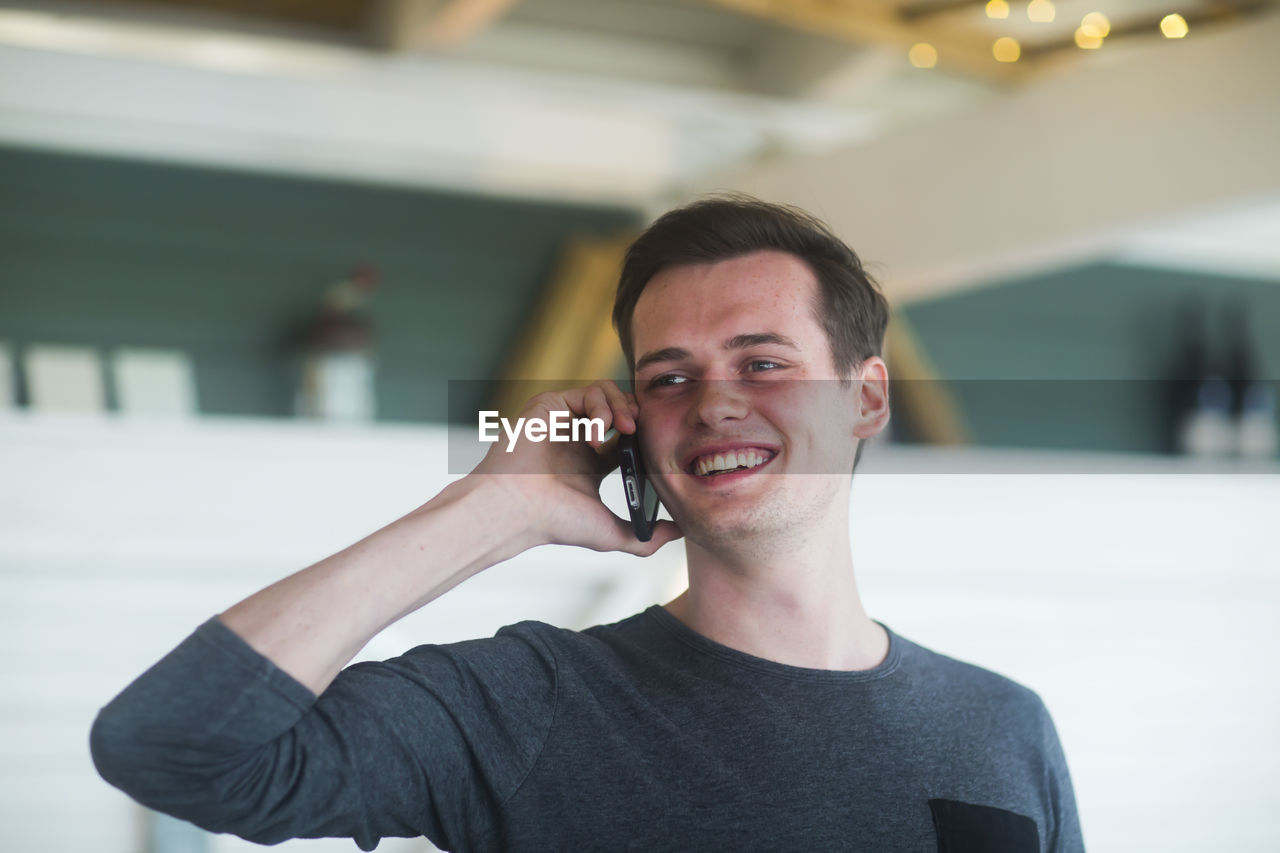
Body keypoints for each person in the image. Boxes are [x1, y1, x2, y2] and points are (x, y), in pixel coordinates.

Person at [91, 196, 1085, 852]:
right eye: (669, 377)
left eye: (762, 361)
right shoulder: (521, 704)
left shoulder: (1001, 725)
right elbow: (166, 746)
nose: (712, 403)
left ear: (865, 398)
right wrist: (493, 504)